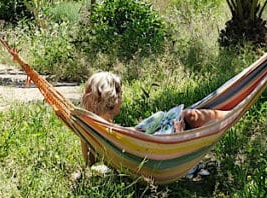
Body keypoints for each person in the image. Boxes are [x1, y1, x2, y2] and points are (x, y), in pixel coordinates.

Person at [78, 71, 228, 166]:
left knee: (185, 116)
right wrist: (178, 134)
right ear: (114, 97)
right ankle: (231, 113)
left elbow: (89, 163)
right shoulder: (108, 130)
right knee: (188, 115)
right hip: (156, 157)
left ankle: (230, 114)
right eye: (120, 95)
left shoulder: (92, 127)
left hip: (146, 150)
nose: (121, 99)